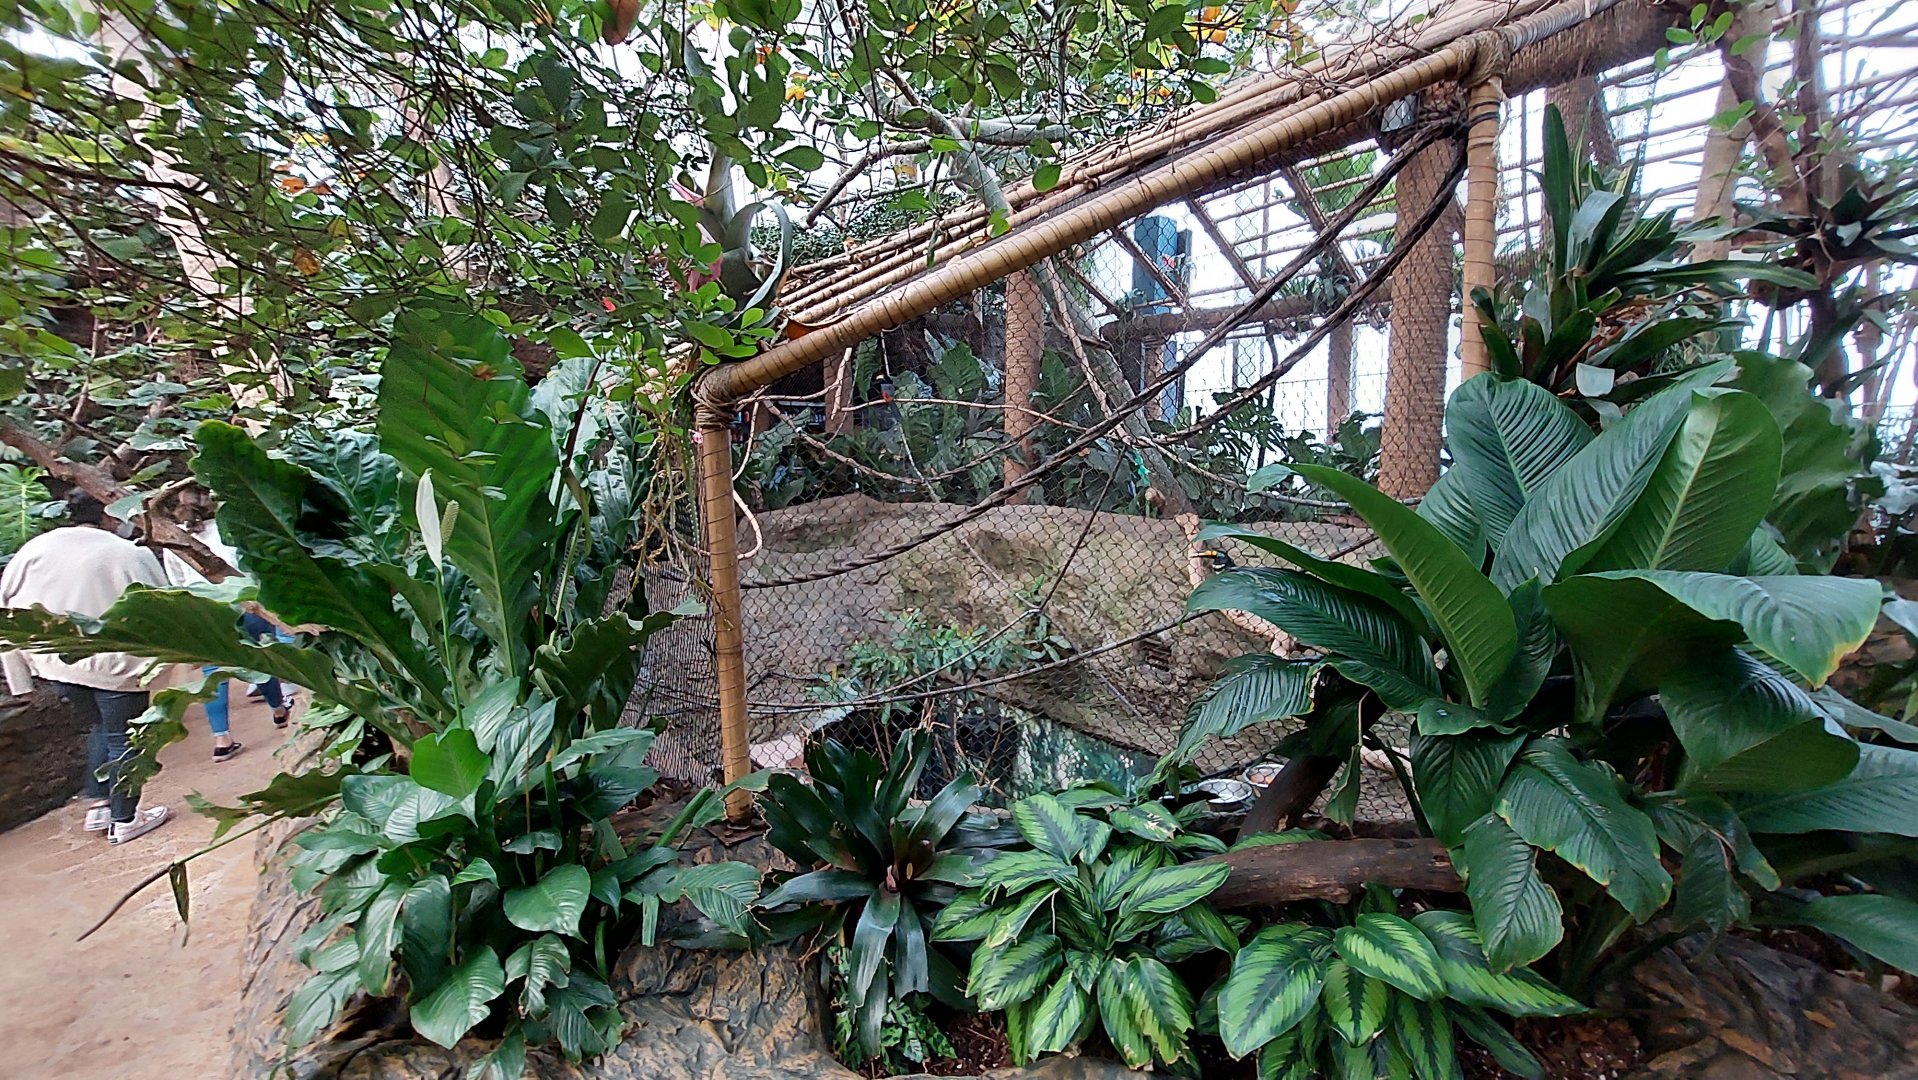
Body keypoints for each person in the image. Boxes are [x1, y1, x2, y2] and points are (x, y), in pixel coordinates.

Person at [0, 490, 171, 843]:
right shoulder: (126, 553)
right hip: (116, 665)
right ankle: (125, 819)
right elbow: (166, 603)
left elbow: (6, 604)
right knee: (125, 737)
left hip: (56, 663)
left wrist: (20, 675)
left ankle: (99, 807)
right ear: (111, 516)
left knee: (100, 727)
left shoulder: (34, 550)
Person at [160, 488, 293, 757]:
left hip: (206, 609)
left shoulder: (174, 540)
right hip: (244, 602)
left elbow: (177, 583)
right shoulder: (230, 529)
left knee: (213, 674)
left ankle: (222, 740)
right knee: (259, 659)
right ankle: (278, 710)